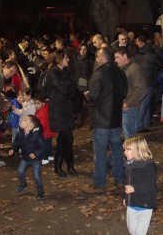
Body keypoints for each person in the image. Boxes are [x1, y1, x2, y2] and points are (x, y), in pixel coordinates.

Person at [82, 47, 128, 194]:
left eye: (97, 57)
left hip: (102, 119)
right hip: (115, 118)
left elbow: (93, 96)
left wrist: (87, 95)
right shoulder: (120, 73)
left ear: (103, 58)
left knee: (100, 152)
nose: (96, 59)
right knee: (116, 150)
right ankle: (118, 178)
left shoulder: (99, 73)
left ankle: (99, 183)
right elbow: (124, 93)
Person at [46, 49, 80, 176]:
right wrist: (68, 89)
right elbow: (63, 89)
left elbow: (72, 90)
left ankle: (69, 166)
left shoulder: (66, 71)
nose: (69, 60)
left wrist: (68, 89)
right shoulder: (52, 72)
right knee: (64, 138)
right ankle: (59, 166)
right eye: (66, 58)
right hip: (57, 109)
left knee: (68, 138)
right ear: (60, 59)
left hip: (66, 108)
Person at [122, 135, 157, 235]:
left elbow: (150, 185)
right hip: (132, 203)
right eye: (124, 149)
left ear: (137, 150)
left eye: (127, 149)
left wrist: (134, 189)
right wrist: (126, 197)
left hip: (145, 204)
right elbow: (127, 183)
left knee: (140, 234)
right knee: (131, 229)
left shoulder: (148, 166)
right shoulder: (129, 165)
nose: (124, 152)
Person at [9, 114, 46, 200]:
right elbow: (16, 142)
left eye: (25, 120)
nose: (22, 120)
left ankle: (40, 192)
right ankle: (23, 184)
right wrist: (13, 149)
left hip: (36, 159)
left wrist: (35, 154)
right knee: (20, 172)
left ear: (31, 125)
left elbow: (43, 147)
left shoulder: (36, 135)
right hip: (25, 158)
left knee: (36, 176)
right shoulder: (20, 133)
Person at [115, 47, 147, 139]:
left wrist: (128, 104)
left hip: (129, 108)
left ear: (125, 56)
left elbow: (141, 89)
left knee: (130, 137)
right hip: (124, 107)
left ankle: (131, 152)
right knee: (126, 135)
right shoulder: (123, 69)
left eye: (117, 57)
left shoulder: (134, 69)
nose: (115, 60)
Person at [135, 36, 163, 132]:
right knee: (144, 104)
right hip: (149, 81)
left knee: (144, 104)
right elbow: (161, 64)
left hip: (139, 82)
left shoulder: (137, 55)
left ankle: (145, 124)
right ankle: (138, 126)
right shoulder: (153, 55)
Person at [34, 94, 55, 164]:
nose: (36, 105)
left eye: (38, 103)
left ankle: (45, 158)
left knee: (43, 145)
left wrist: (38, 130)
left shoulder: (42, 112)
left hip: (44, 132)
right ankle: (50, 155)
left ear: (43, 103)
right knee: (48, 144)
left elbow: (43, 124)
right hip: (48, 131)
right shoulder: (45, 108)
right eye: (35, 103)